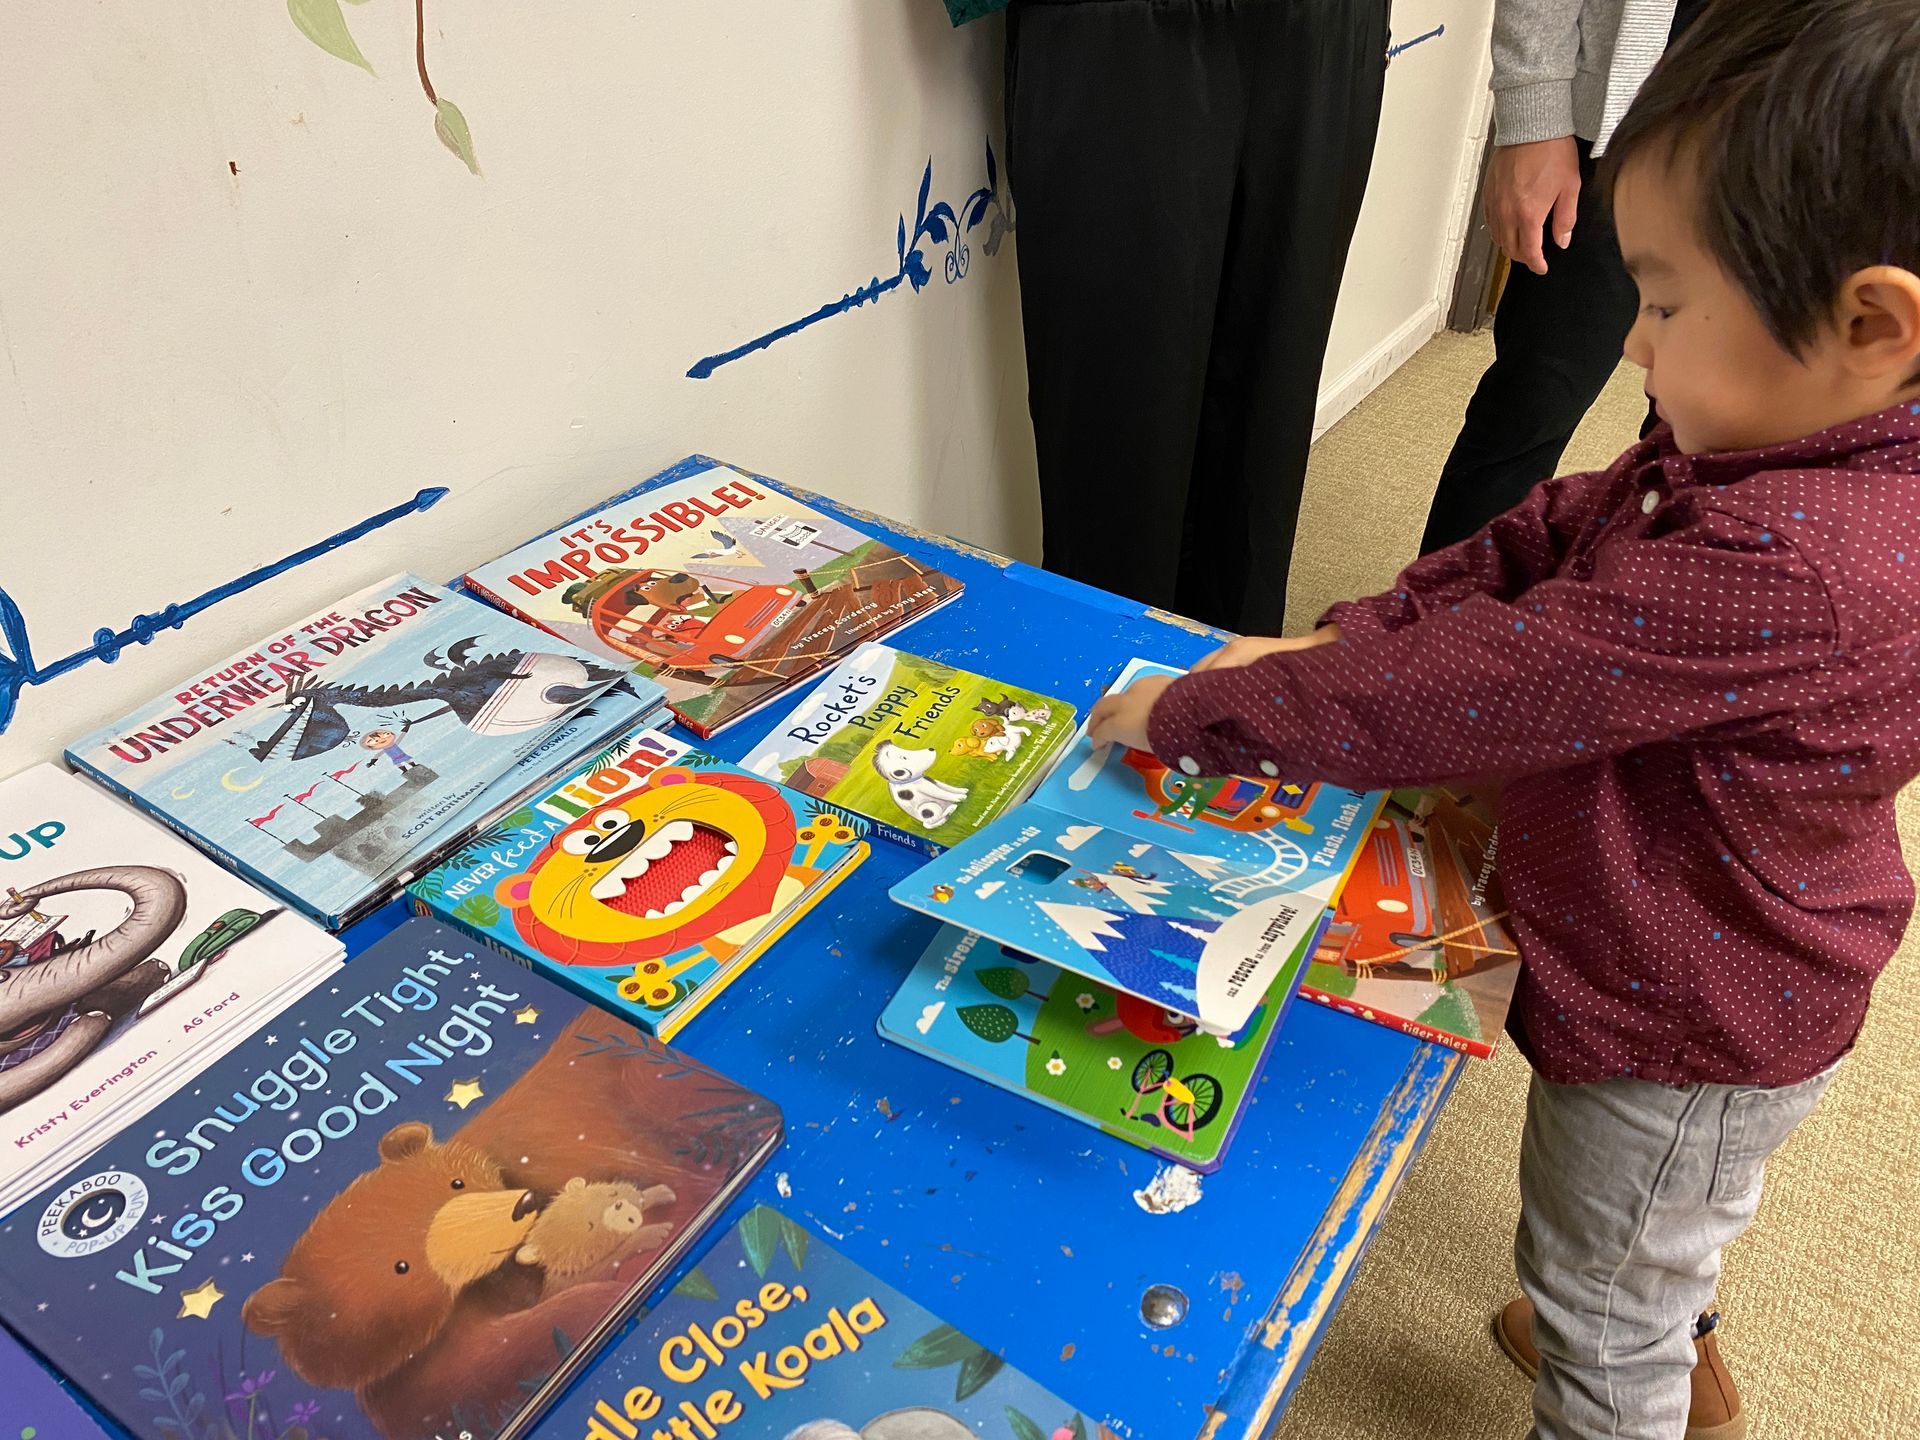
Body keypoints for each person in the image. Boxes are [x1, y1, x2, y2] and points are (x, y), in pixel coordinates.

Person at [1086, 3, 1920, 1435]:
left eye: (1663, 303)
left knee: (1612, 1298)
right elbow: (1549, 535)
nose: (1639, 353)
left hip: (1694, 1008)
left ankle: (1649, 1378)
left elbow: (1483, 691)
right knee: (1656, 1230)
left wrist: (1198, 710)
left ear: (1869, 323)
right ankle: (1665, 1321)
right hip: (1702, 952)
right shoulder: (1784, 433)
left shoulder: (1797, 560)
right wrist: (1356, 627)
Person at [995, 0, 1391, 633]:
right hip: (1120, 25)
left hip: (1325, 25)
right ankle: (1105, 706)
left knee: (1265, 432)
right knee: (1114, 446)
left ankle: (1223, 706)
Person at [1419, 0, 1710, 555]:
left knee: (1710, 445)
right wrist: (1535, 114)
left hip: (1822, 137)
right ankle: (1433, 625)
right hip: (1621, 119)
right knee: (1533, 401)